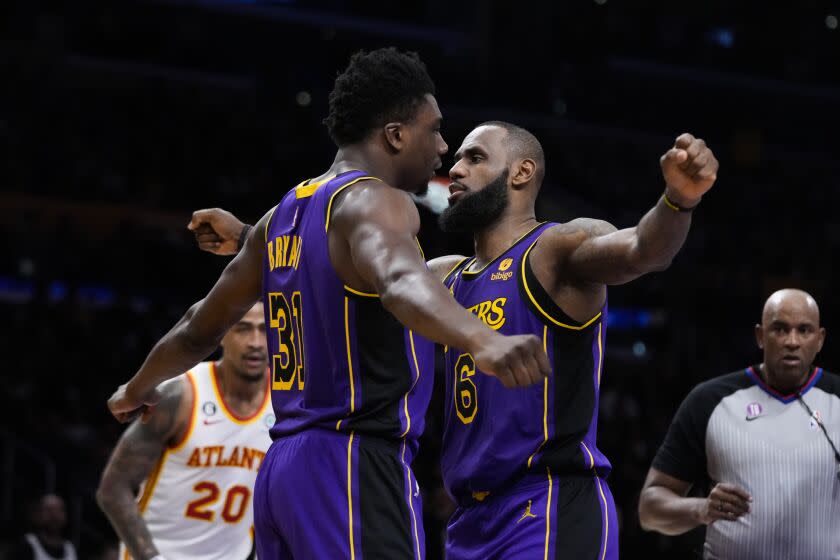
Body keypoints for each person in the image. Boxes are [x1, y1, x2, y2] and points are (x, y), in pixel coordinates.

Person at [191, 120, 718, 559]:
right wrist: (247, 237)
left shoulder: (557, 248)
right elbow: (348, 261)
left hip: (548, 501)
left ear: (522, 172)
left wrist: (677, 201)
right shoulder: (444, 275)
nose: (455, 171)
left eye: (474, 158)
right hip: (469, 517)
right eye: (456, 159)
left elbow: (642, 251)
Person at [107, 47, 549, 560]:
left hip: (280, 474)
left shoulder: (282, 217)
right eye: (435, 129)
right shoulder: (380, 200)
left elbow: (195, 328)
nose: (444, 146)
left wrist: (136, 388)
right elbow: (401, 282)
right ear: (396, 135)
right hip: (352, 465)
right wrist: (483, 339)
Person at [638, 289, 840, 559]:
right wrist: (701, 509)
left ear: (820, 339)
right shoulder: (709, 401)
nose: (792, 341)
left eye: (804, 330)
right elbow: (649, 509)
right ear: (760, 336)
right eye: (780, 329)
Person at [97, 302, 271, 560]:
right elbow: (113, 489)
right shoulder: (181, 393)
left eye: (265, 330)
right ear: (222, 334)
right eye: (243, 329)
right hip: (158, 554)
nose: (255, 342)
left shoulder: (286, 400)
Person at [11, 494, 78, 560]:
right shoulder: (27, 545)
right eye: (49, 510)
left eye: (59, 510)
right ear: (37, 514)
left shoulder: (69, 547)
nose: (54, 515)